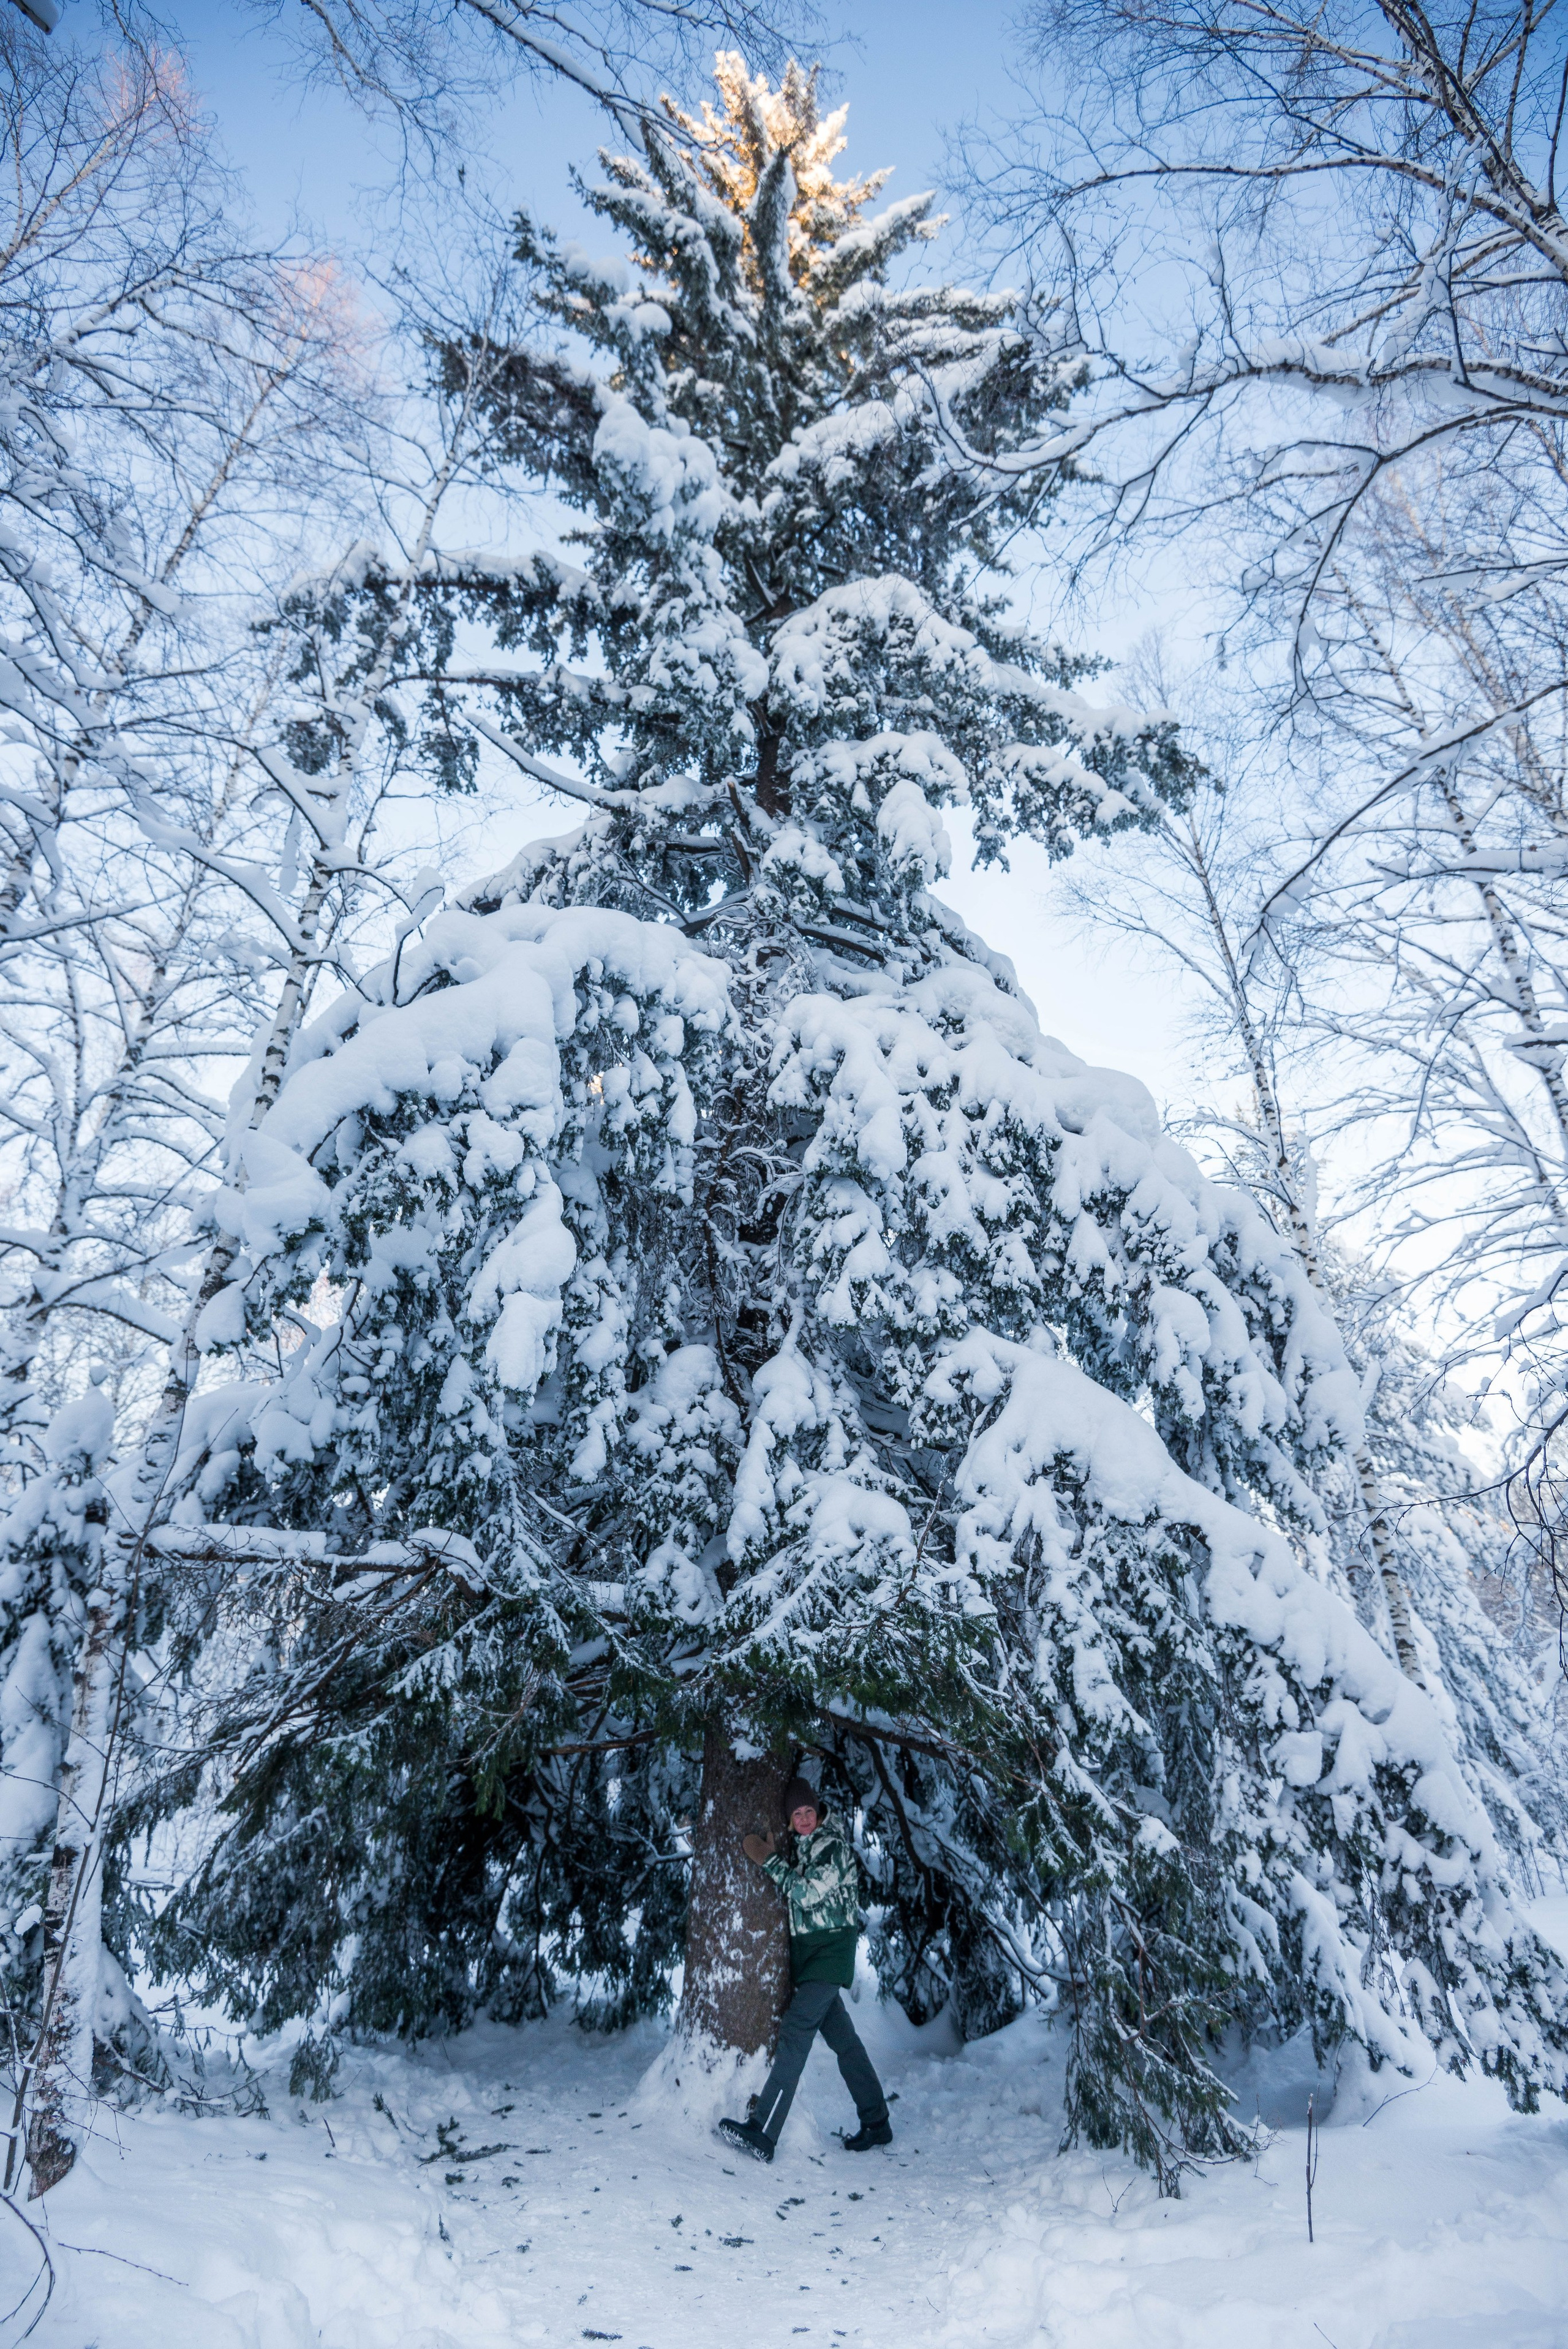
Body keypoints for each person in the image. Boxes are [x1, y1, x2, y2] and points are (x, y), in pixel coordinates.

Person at [716, 1777, 892, 2163]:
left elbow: (809, 1893)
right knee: (845, 2042)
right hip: (812, 1957)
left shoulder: (831, 1845)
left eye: (809, 1810)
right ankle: (877, 2121)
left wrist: (770, 1861)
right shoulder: (805, 1847)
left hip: (830, 1952)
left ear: (818, 1810)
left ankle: (764, 2130)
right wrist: (782, 1858)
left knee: (796, 2030)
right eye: (797, 1814)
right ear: (791, 1820)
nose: (805, 1818)